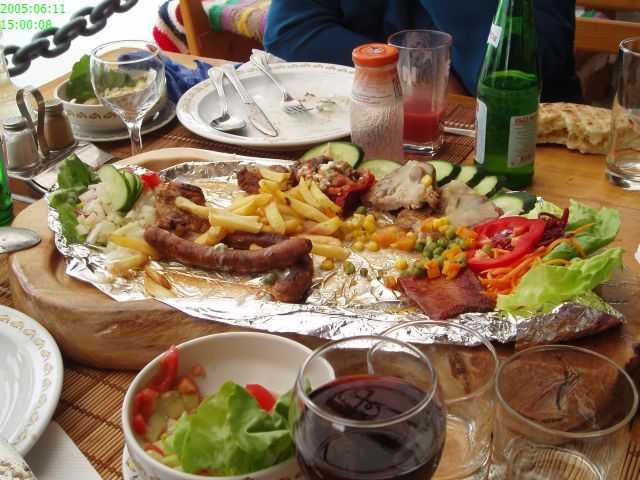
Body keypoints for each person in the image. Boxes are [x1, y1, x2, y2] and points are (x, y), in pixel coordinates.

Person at [263, 0, 582, 102]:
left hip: (526, 150)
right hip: (368, 127)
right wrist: (419, 73)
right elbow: (288, 32)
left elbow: (509, 72)